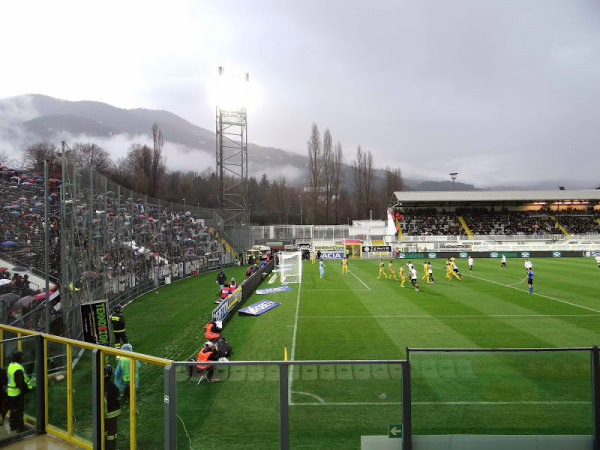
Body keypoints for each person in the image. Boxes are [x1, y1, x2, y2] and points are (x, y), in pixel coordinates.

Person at [7, 350, 32, 432]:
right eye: (22, 357)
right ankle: (21, 427)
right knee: (19, 411)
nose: (23, 358)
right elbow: (19, 383)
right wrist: (26, 388)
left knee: (13, 410)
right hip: (17, 393)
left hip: (10, 392)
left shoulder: (11, 365)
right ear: (18, 358)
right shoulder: (18, 368)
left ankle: (13, 426)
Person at [103, 364, 121, 450]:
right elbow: (118, 397)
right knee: (112, 434)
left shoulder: (100, 385)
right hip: (112, 413)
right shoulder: (112, 386)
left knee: (105, 432)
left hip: (103, 414)